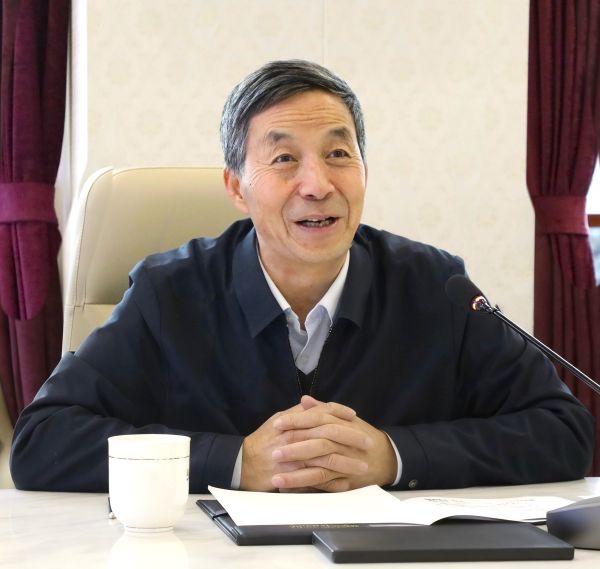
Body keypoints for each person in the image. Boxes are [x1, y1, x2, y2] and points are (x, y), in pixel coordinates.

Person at [10, 60, 594, 493]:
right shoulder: (171, 293)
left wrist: (395, 456)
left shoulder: (436, 287)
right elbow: (42, 440)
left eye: (338, 154)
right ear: (236, 187)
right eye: (284, 158)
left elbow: (564, 432)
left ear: (363, 171)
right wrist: (234, 461)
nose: (317, 184)